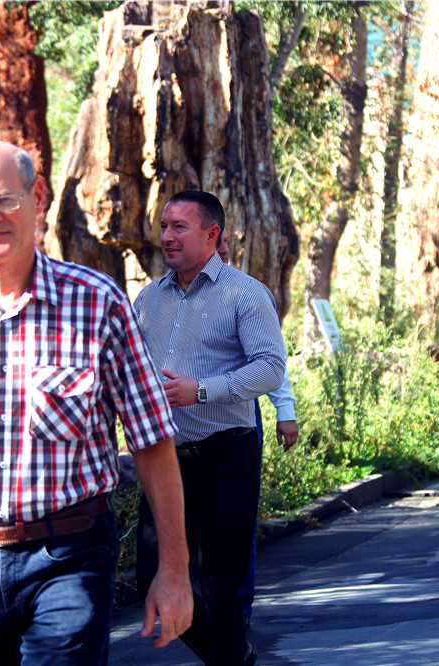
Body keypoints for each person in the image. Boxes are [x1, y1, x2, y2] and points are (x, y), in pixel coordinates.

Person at [0, 140, 192, 666]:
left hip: (69, 556)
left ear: (37, 198)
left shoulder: (97, 302)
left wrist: (174, 571)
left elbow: (152, 442)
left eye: (4, 199)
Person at [134, 190, 287, 665]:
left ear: (211, 233)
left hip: (226, 454)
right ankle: (235, 655)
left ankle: (227, 656)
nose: (167, 236)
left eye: (179, 227)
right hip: (165, 458)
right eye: (164, 226)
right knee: (149, 577)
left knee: (220, 584)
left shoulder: (245, 293)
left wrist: (201, 390)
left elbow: (270, 369)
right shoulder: (148, 298)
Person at [217, 234, 299, 628]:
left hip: (240, 417)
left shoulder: (245, 293)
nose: (220, 254)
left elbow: (270, 361)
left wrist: (285, 410)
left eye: (224, 247)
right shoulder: (162, 298)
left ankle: (238, 610)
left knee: (239, 517)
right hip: (182, 423)